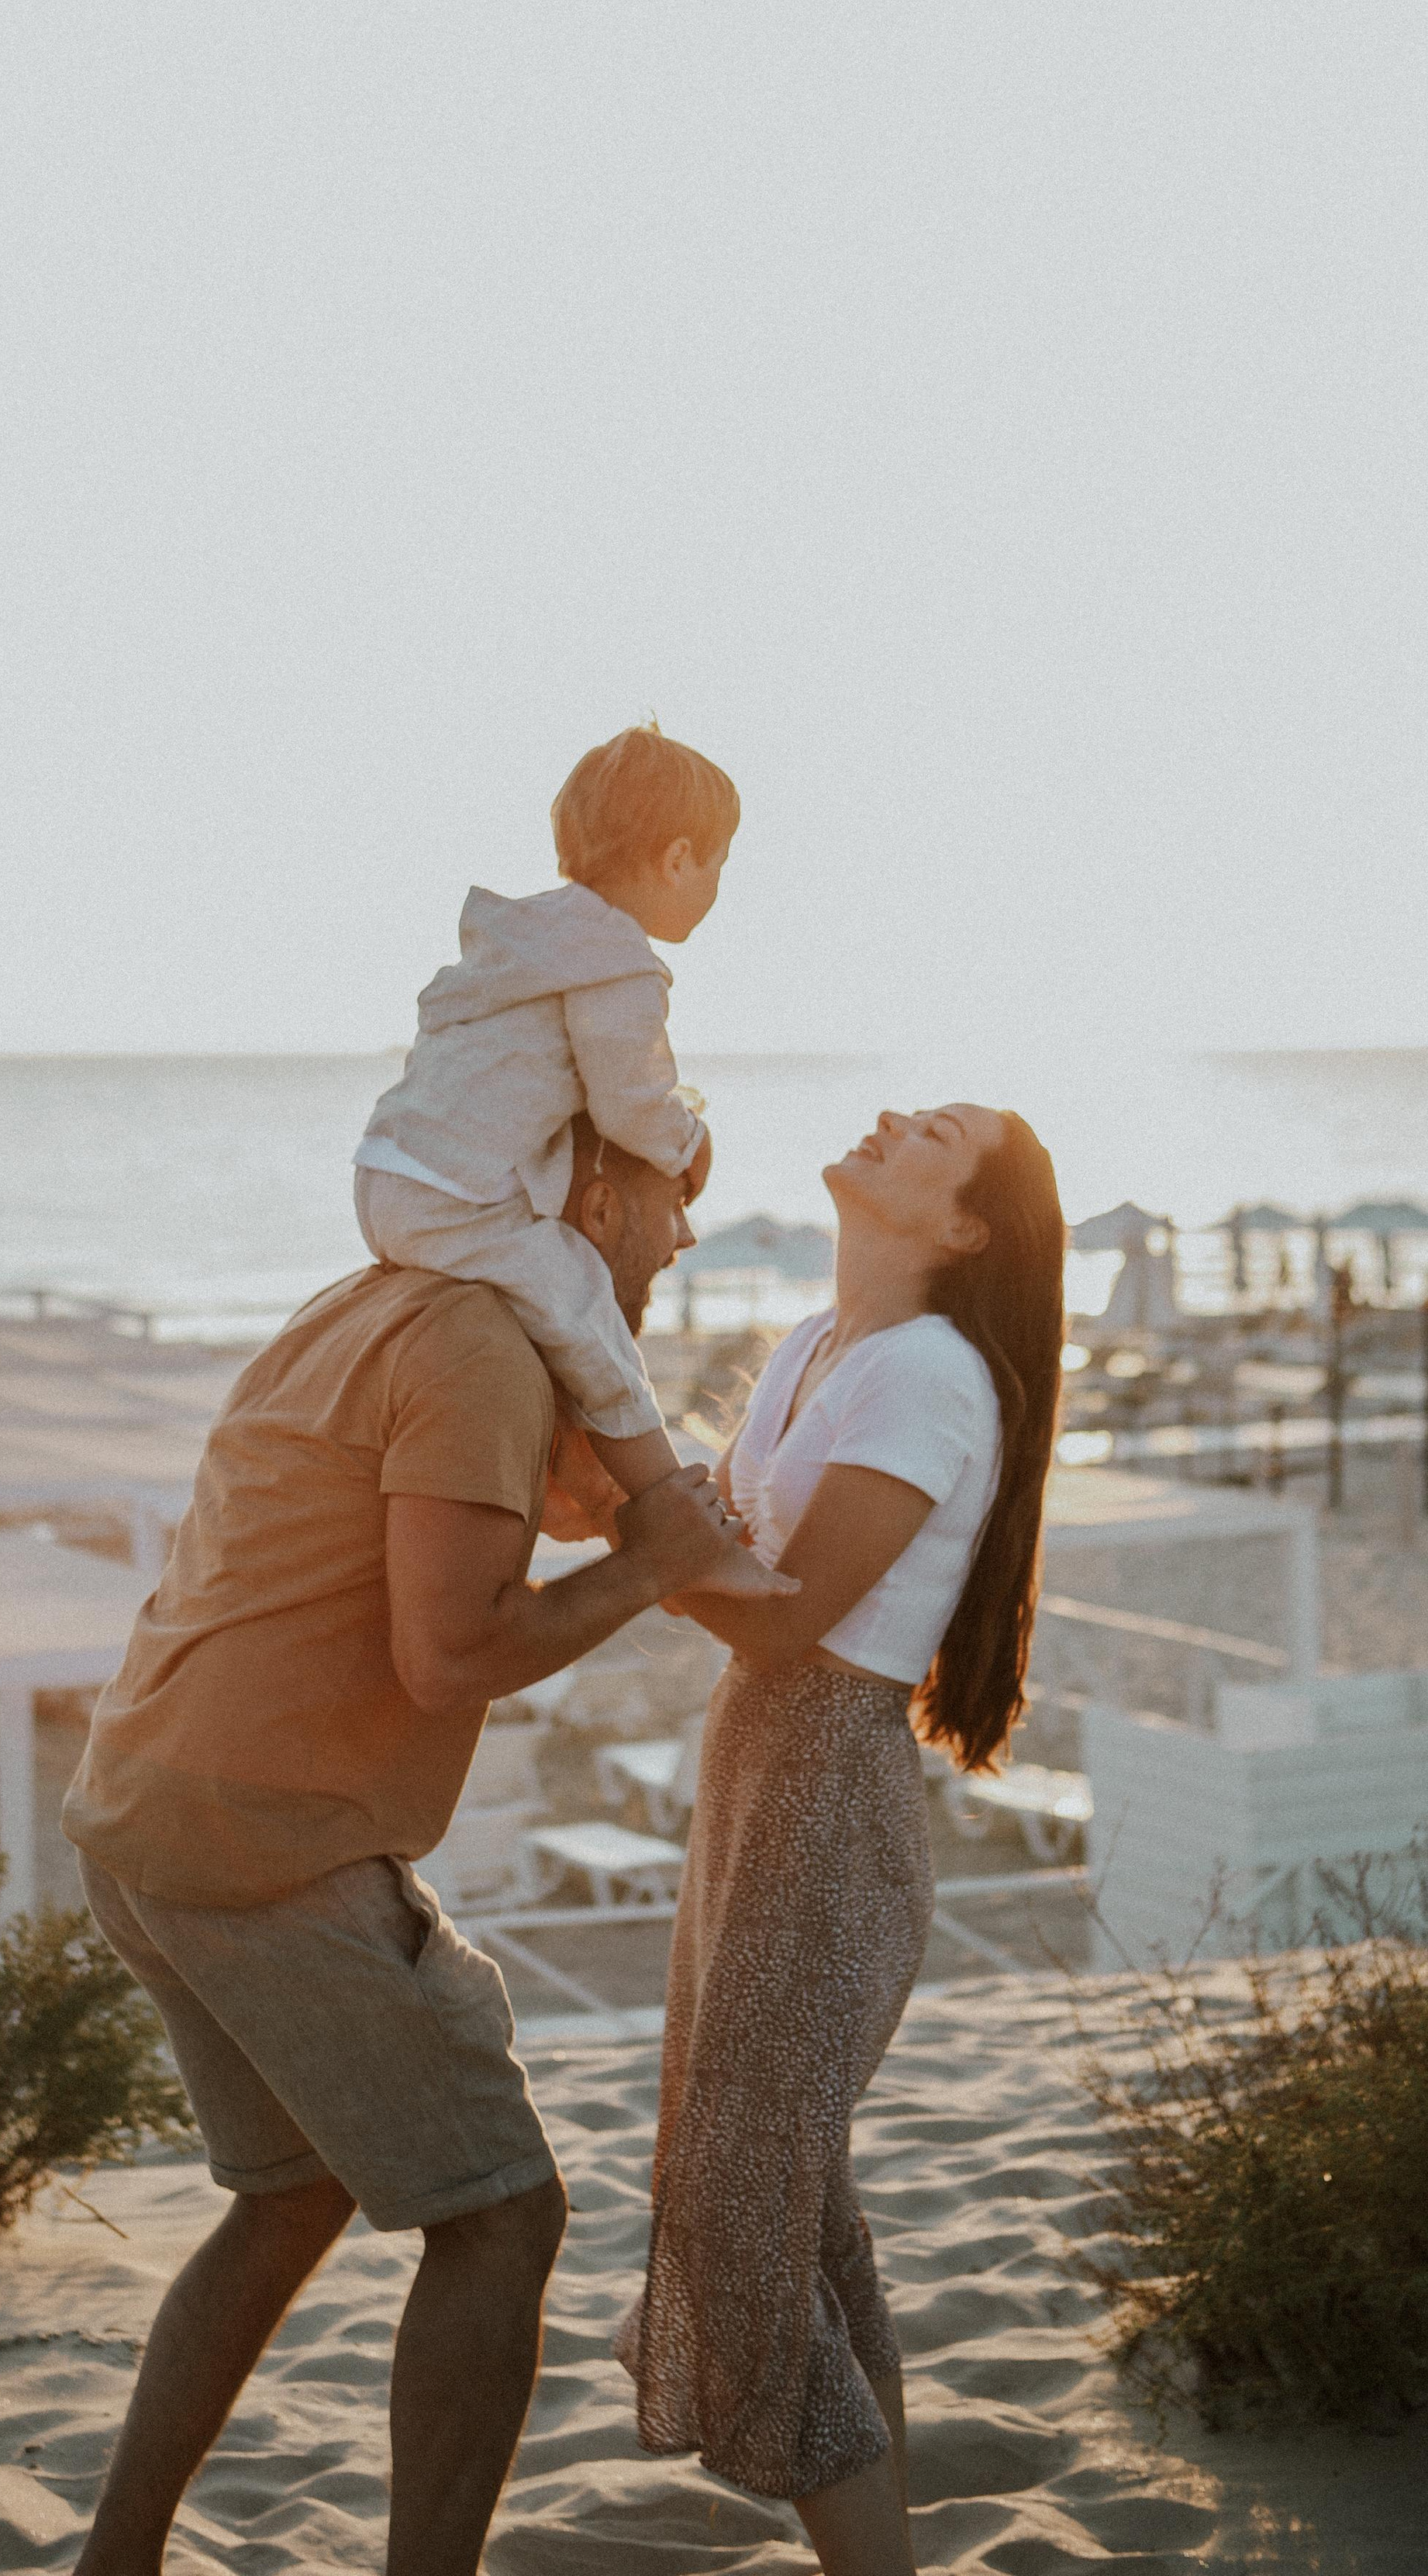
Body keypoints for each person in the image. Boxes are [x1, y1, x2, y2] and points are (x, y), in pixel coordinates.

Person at [59, 1116, 773, 2576]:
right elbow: (451, 1654)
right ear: (587, 1188)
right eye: (672, 1193)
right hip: (265, 1845)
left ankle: (114, 2563)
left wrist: (662, 1505)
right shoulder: (476, 1348)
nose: (686, 1233)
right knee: (507, 2219)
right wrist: (648, 1569)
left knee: (291, 2196)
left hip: (142, 1810)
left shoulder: (376, 1299)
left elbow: (547, 1488)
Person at [616, 1103, 1066, 2576]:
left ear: (963, 1232)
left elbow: (789, 1614)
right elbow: (737, 1565)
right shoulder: (825, 1345)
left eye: (931, 1135)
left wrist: (647, 1534)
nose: (891, 1120)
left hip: (826, 1789)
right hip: (755, 1764)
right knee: (789, 2206)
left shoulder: (930, 1377)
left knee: (743, 2202)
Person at [354, 721, 740, 1511]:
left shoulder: (517, 943)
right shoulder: (619, 963)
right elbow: (631, 1101)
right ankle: (665, 1501)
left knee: (542, 1292)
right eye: (718, 864)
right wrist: (690, 1146)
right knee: (584, 1310)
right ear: (676, 859)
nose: (716, 886)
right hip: (451, 1198)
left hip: (382, 1175)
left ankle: (563, 1463)